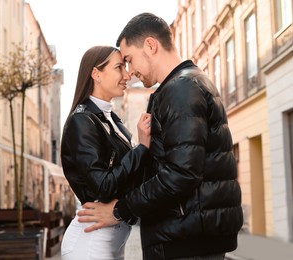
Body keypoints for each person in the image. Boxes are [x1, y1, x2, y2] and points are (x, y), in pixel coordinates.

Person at [77, 13, 244, 260]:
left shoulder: (181, 88)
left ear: (150, 46)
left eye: (129, 60)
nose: (130, 72)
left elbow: (181, 173)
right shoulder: (186, 84)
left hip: (186, 241)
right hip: (189, 236)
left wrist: (119, 210)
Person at [60, 45, 151, 260]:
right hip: (90, 241)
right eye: (119, 67)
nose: (127, 75)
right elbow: (102, 186)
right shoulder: (82, 120)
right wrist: (141, 149)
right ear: (96, 74)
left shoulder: (109, 118)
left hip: (110, 238)